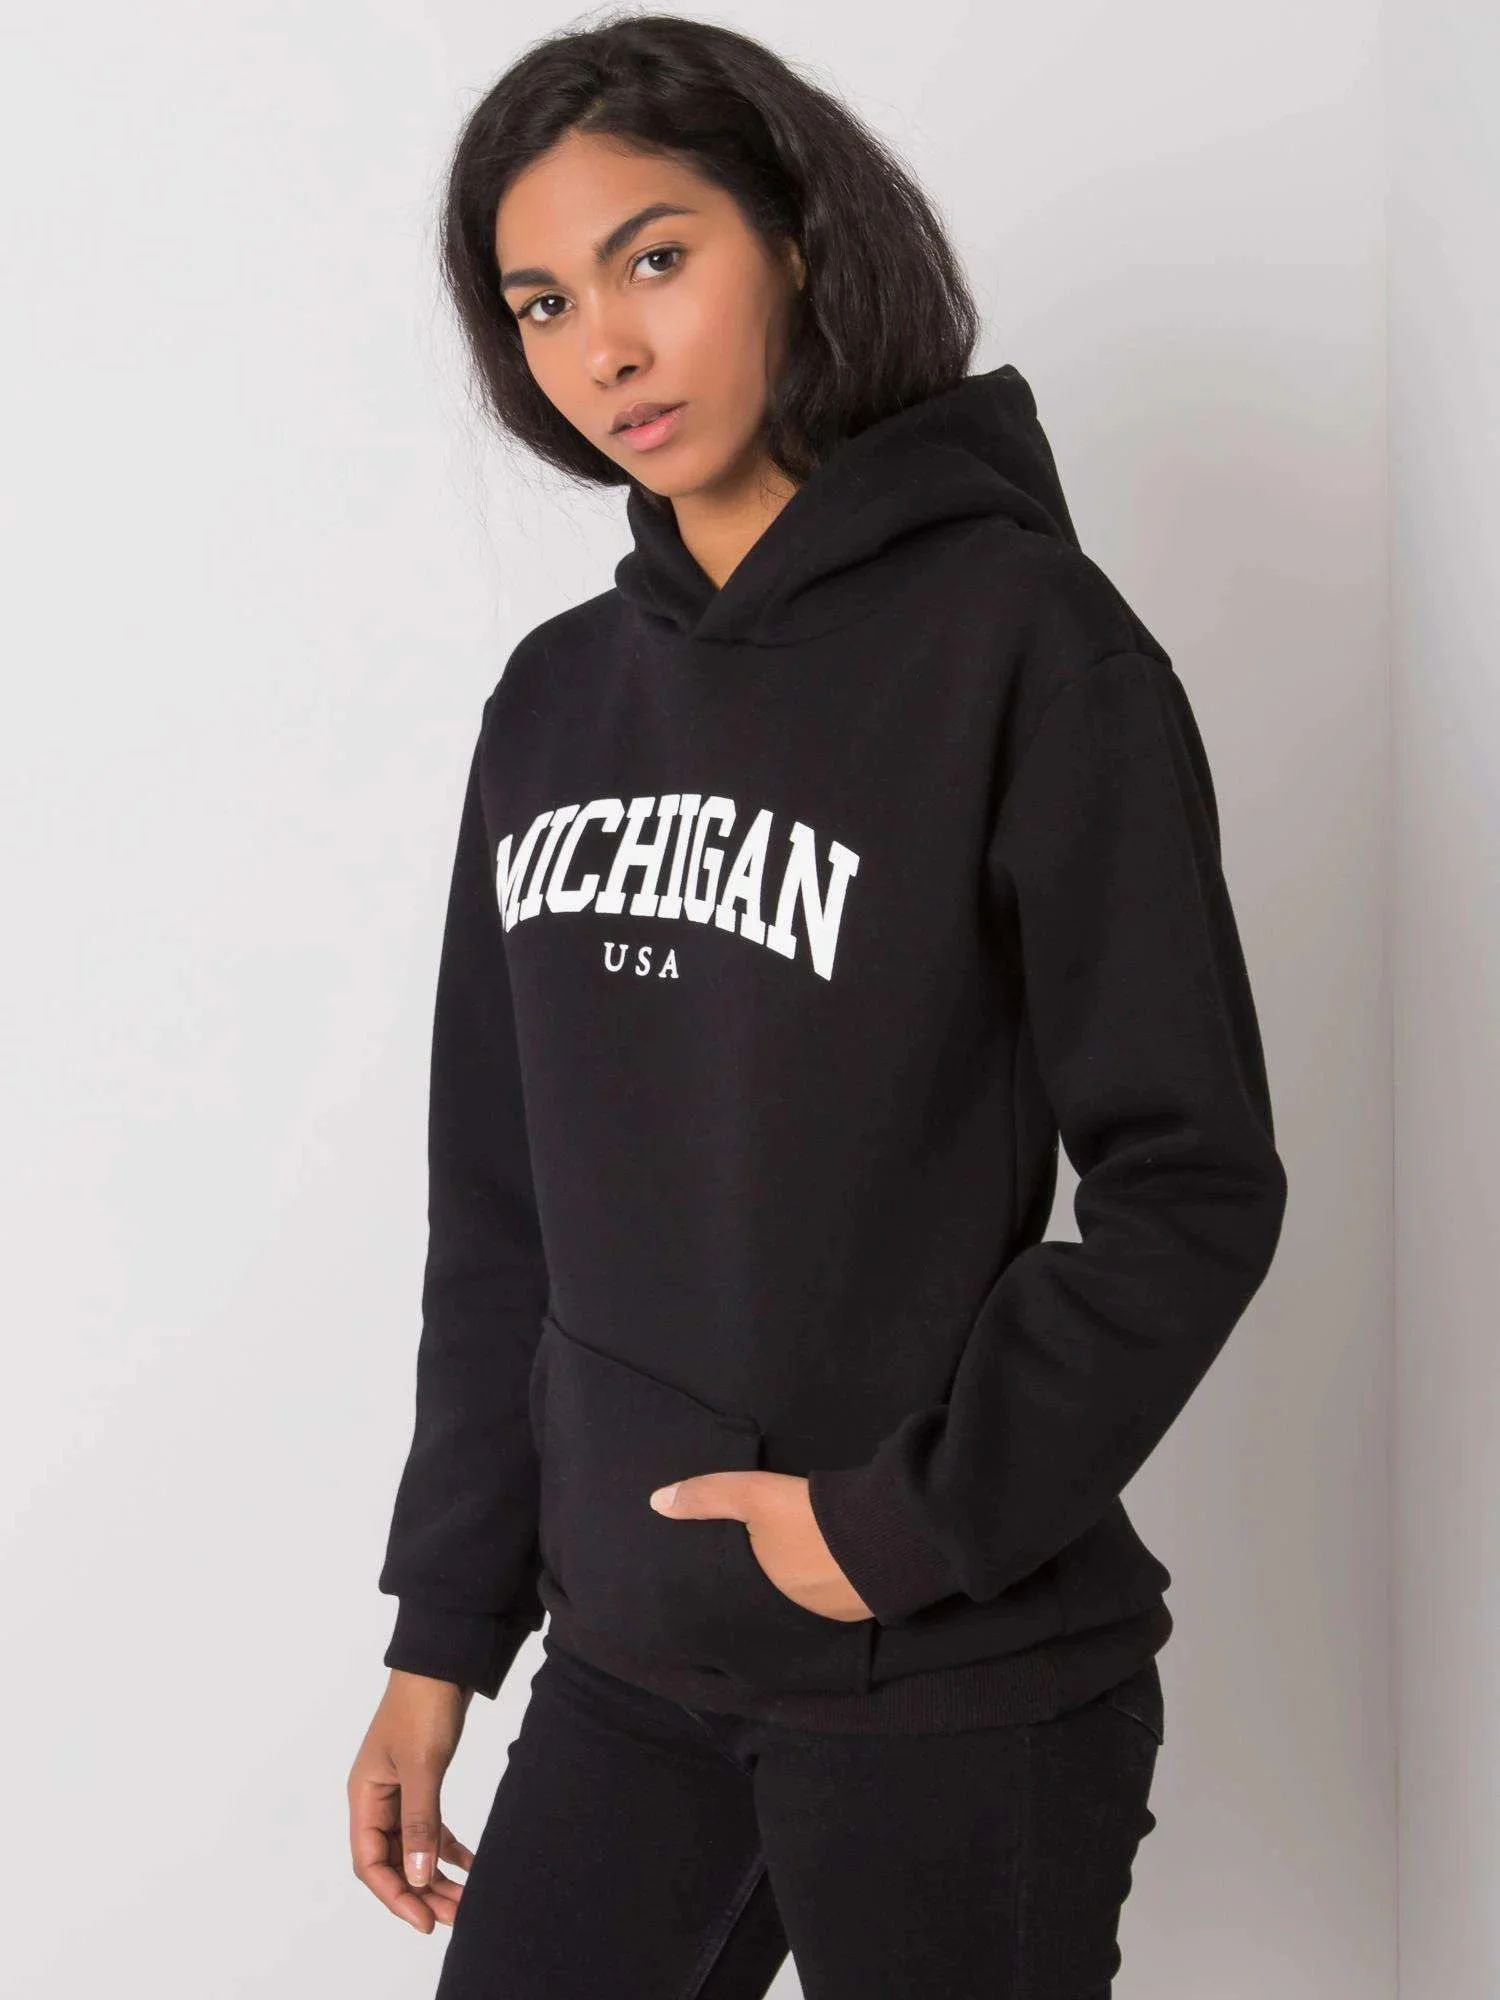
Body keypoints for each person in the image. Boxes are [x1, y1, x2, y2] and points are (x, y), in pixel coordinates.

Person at [346, 14, 1289, 1996]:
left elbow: (1191, 1177)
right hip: (627, 1672)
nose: (602, 347)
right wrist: (444, 1633)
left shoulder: (1028, 647)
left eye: (654, 257)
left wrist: (902, 1522)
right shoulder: (558, 700)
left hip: (949, 1676)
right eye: (541, 301)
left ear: (795, 239)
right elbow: (502, 1209)